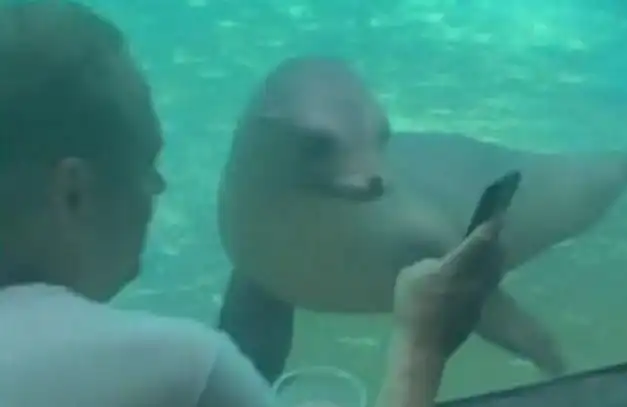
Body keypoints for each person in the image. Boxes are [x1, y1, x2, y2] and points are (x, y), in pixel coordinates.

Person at [0, 1, 506, 407]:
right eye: (145, 166)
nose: (158, 187)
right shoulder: (181, 367)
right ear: (73, 193)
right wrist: (420, 347)